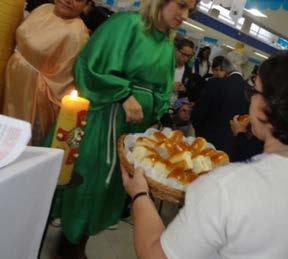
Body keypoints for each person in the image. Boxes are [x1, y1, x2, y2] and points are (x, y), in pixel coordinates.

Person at [122, 46, 288, 258]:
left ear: (269, 106)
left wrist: (140, 195)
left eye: (256, 91)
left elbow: (155, 254)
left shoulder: (227, 186)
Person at [52, 0, 198, 257]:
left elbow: (162, 89)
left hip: (129, 134)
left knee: (106, 191)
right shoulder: (127, 24)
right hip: (103, 123)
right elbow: (90, 65)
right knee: (88, 184)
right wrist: (123, 95)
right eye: (181, 5)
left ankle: (76, 245)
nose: (184, 15)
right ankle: (68, 247)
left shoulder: (166, 43)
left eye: (190, 10)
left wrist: (160, 115)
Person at [3, 0, 90, 145]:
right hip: (13, 79)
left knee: (14, 140)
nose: (69, 1)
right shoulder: (44, 9)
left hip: (31, 94)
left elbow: (63, 83)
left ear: (86, 6)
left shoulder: (77, 33)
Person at [192, 56, 249, 160]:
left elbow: (199, 113)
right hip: (231, 148)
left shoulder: (214, 83)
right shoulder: (249, 91)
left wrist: (199, 132)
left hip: (207, 141)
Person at [171, 37, 194, 105]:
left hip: (173, 107)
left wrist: (184, 89)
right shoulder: (165, 65)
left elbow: (188, 91)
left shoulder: (188, 71)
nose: (186, 58)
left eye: (189, 56)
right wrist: (169, 87)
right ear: (176, 50)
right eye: (183, 54)